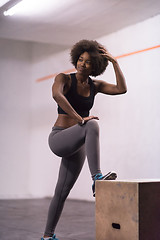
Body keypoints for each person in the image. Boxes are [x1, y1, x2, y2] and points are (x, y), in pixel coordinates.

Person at [41, 39, 127, 240]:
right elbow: (57, 96)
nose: (82, 64)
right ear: (75, 59)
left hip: (77, 145)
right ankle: (97, 178)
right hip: (59, 137)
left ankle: (47, 236)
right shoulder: (64, 79)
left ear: (94, 66)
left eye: (88, 62)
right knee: (92, 124)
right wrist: (80, 118)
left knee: (61, 193)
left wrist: (115, 62)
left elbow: (121, 89)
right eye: (80, 59)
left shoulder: (95, 85)